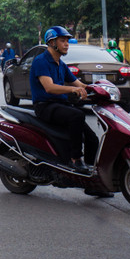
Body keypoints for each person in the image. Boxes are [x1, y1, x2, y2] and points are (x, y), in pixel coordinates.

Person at [30, 26, 99, 178]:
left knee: (92, 139)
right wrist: (71, 90)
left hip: (60, 105)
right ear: (52, 43)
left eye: (67, 41)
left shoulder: (61, 64)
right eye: (62, 41)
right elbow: (49, 87)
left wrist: (98, 88)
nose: (66, 44)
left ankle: (91, 178)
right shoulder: (41, 61)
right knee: (77, 115)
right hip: (45, 106)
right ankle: (75, 159)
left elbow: (78, 84)